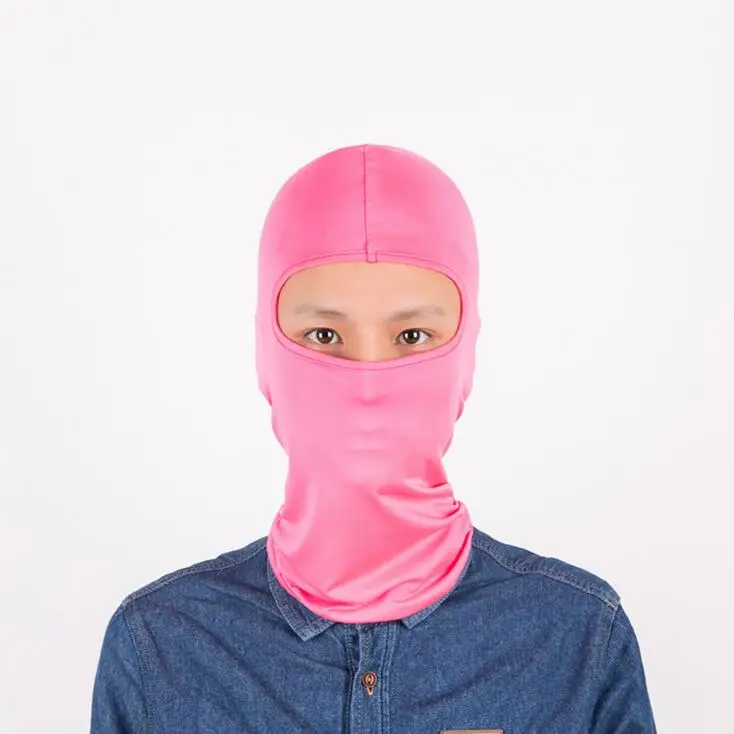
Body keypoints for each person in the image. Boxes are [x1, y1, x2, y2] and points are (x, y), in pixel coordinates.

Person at [90, 143, 657, 732]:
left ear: (465, 353)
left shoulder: (577, 641)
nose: (367, 382)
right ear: (265, 351)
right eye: (323, 335)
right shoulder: (161, 650)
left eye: (412, 336)